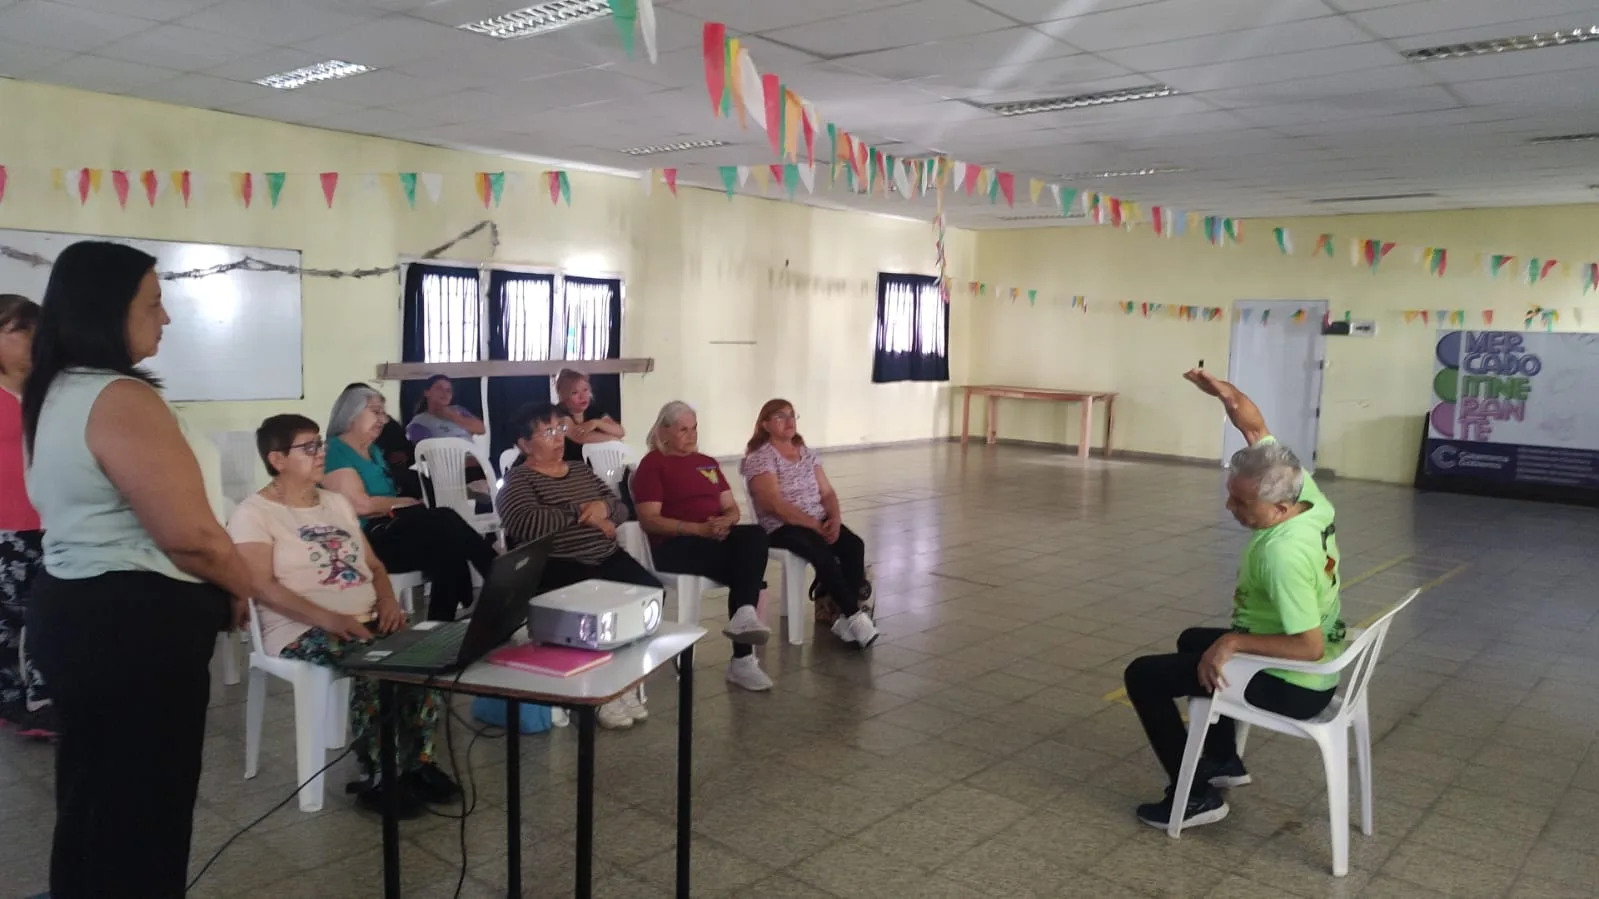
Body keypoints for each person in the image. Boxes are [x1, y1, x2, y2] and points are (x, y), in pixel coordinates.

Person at [23, 242, 255, 898]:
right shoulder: (120, 397)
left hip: (86, 617)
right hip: (132, 634)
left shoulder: (57, 387)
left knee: (95, 800)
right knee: (142, 810)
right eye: (154, 303)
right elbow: (193, 539)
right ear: (107, 311)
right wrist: (249, 586)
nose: (167, 318)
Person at [1122, 369, 1345, 831]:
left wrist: (1234, 645)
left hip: (1295, 684)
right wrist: (1227, 394)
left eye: (1243, 506)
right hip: (1317, 664)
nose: (1231, 510)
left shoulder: (1282, 554)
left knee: (1143, 676)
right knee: (1192, 639)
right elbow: (1254, 429)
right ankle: (1224, 759)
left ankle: (1196, 796)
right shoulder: (1308, 497)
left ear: (1280, 509)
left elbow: (1309, 647)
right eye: (1232, 497)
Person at [229, 414, 458, 817]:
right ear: (277, 459)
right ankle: (379, 776)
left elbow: (375, 566)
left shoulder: (335, 503)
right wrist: (331, 620)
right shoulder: (254, 512)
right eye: (309, 448)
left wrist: (387, 601)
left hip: (363, 618)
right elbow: (262, 586)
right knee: (374, 665)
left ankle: (418, 763)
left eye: (319, 444)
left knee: (422, 659)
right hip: (300, 627)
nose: (321, 454)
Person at [496, 402, 659, 729]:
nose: (558, 438)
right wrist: (583, 511)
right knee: (595, 617)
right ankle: (600, 695)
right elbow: (529, 523)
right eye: (547, 433)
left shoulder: (580, 469)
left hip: (606, 557)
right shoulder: (518, 481)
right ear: (525, 444)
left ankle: (620, 682)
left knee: (648, 596)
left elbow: (619, 508)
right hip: (559, 565)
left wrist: (603, 509)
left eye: (560, 430)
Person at [322, 384, 497, 622]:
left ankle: (439, 624)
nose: (382, 420)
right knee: (444, 518)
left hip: (393, 528)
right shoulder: (336, 451)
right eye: (376, 412)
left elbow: (382, 498)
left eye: (383, 413)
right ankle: (497, 577)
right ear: (352, 413)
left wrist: (397, 504)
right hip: (366, 540)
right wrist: (402, 502)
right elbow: (360, 505)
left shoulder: (373, 450)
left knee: (447, 546)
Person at [633, 401, 773, 692]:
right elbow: (649, 519)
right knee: (745, 569)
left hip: (712, 536)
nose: (692, 434)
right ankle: (742, 658)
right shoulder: (653, 464)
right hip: (675, 544)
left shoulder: (707, 462)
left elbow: (731, 508)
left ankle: (744, 618)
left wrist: (726, 522)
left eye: (694, 428)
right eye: (684, 429)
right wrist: (697, 529)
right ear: (664, 431)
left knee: (755, 535)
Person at [741, 399, 878, 648]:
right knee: (820, 550)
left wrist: (834, 519)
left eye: (792, 415)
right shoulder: (760, 458)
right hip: (781, 526)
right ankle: (854, 616)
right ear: (765, 424)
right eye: (781, 417)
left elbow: (827, 493)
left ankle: (842, 618)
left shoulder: (806, 453)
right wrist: (814, 525)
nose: (789, 421)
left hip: (817, 519)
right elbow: (774, 504)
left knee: (853, 545)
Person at [0, 294, 53, 738]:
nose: (30, 340)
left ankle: (42, 700)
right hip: (5, 526)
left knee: (47, 613)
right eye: (18, 330)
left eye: (35, 329)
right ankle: (7, 699)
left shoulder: (47, 390)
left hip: (52, 520)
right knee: (6, 621)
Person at [555, 368, 624, 463]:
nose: (582, 396)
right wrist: (613, 440)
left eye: (585, 390)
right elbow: (579, 437)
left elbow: (620, 432)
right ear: (564, 397)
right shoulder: (558, 413)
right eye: (574, 393)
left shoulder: (593, 410)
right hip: (570, 466)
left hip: (595, 466)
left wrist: (596, 423)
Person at [405, 374, 486, 442]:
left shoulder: (458, 410)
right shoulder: (420, 421)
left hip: (470, 455)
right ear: (427, 393)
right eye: (439, 388)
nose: (444, 393)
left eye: (448, 390)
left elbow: (481, 429)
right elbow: (426, 448)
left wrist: (455, 417)